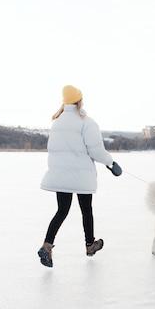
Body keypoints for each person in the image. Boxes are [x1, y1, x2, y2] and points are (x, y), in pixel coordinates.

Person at [38, 85, 121, 267]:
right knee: (86, 210)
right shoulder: (86, 122)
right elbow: (97, 150)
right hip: (81, 176)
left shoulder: (57, 122)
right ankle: (90, 245)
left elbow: (53, 150)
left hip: (61, 175)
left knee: (62, 210)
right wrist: (110, 163)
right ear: (79, 100)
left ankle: (46, 246)